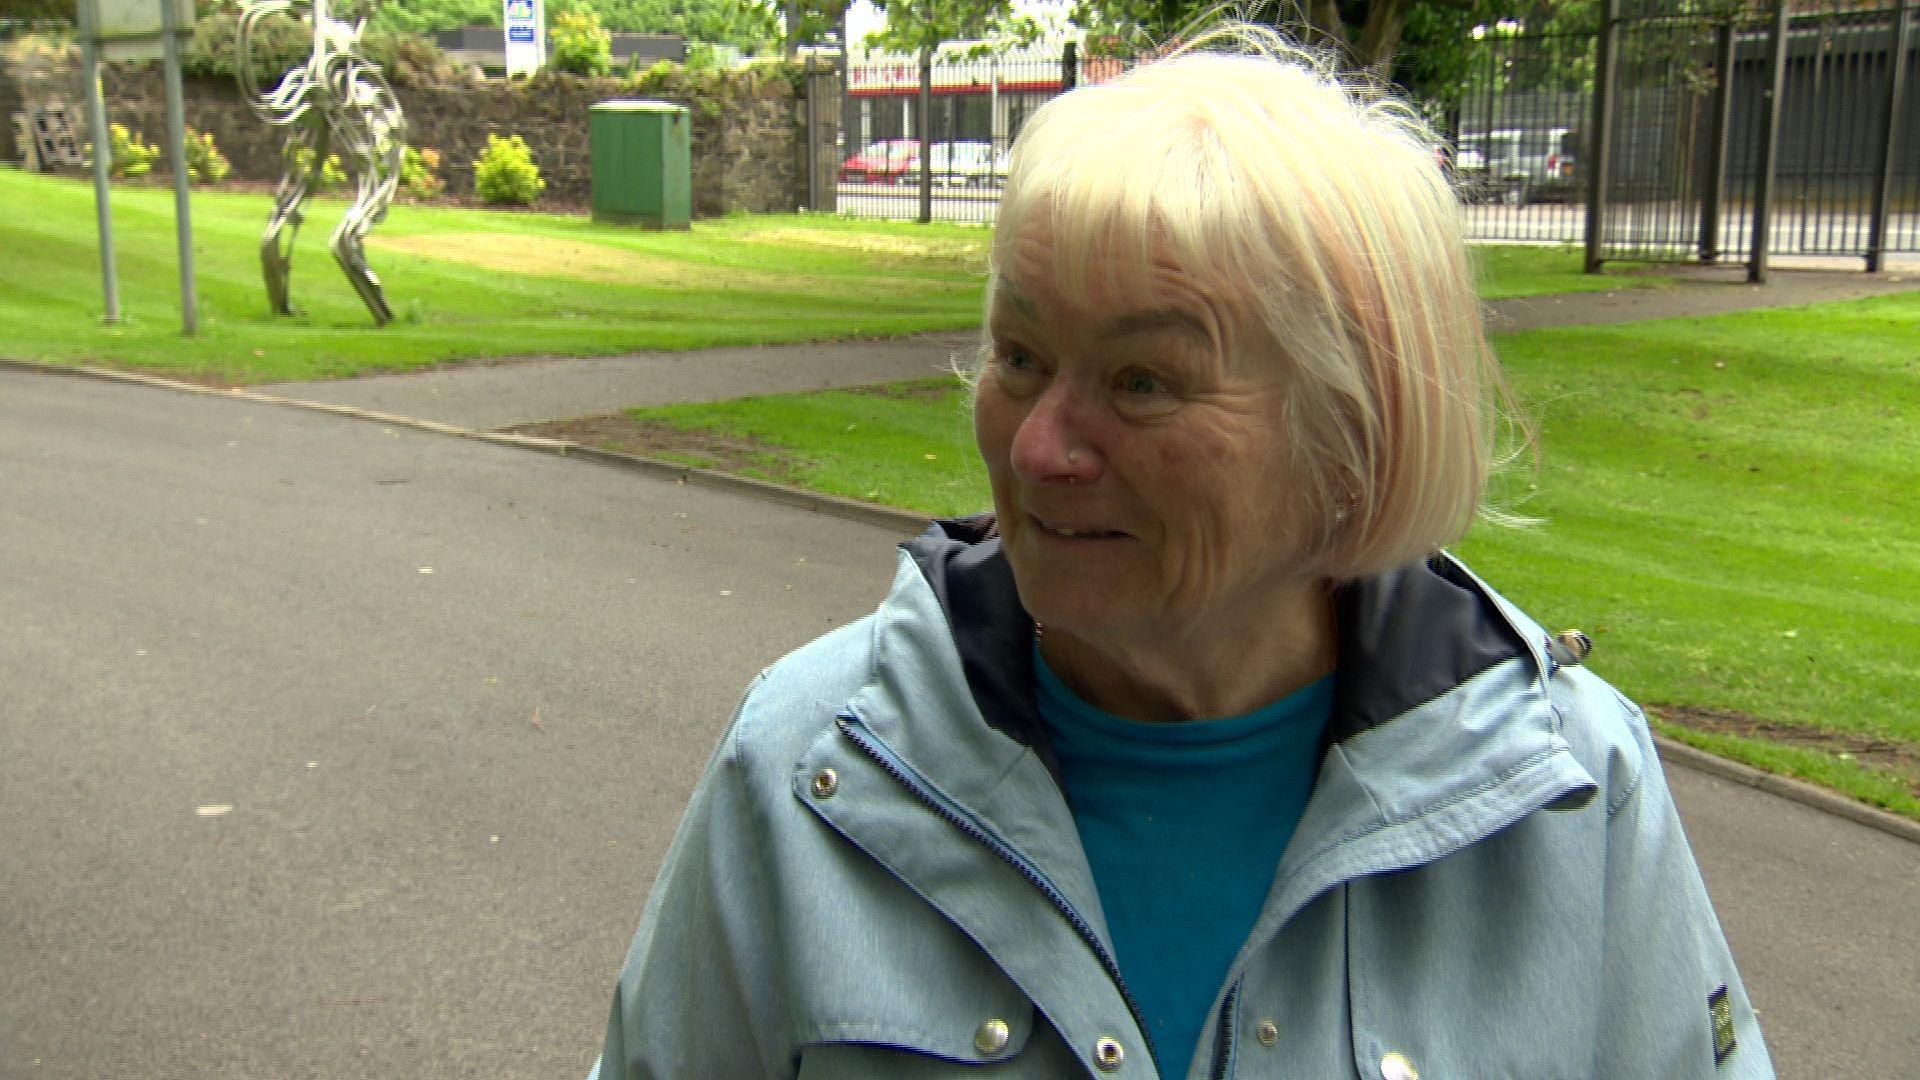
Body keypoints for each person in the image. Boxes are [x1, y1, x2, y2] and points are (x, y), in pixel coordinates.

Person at [589, 25, 1774, 1080]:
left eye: (1143, 380)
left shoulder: (1566, 791)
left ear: (1351, 436)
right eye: (1018, 355)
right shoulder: (808, 761)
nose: (1042, 447)